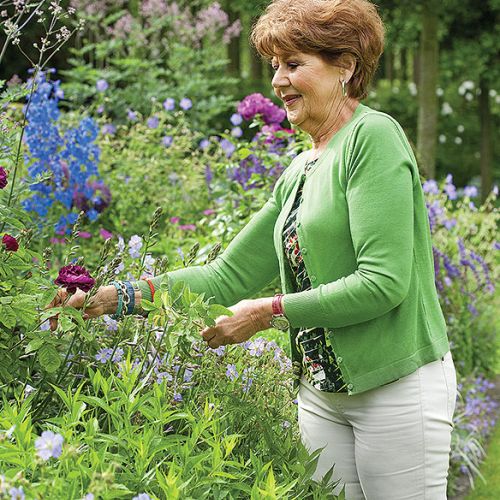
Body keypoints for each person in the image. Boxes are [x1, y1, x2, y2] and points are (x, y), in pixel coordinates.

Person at [50, 0, 457, 498]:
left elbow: (383, 284)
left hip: (395, 388)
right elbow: (226, 278)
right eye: (274, 66)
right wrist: (114, 297)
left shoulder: (372, 139)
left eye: (294, 64)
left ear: (346, 66)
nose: (278, 82)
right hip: (322, 395)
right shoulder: (299, 171)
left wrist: (269, 312)